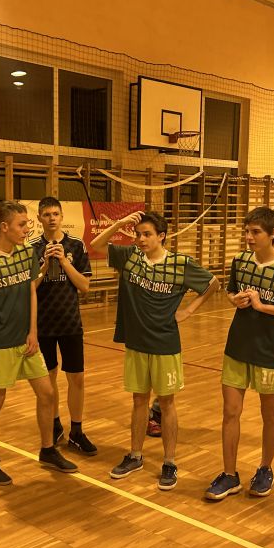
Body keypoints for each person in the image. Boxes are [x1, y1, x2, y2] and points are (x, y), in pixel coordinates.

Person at [91, 210, 218, 491]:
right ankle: (135, 456)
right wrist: (119, 224)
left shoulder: (180, 264)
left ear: (162, 236)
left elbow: (212, 284)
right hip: (136, 344)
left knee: (167, 403)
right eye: (138, 234)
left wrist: (189, 310)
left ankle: (169, 462)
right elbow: (97, 245)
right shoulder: (130, 257)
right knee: (139, 401)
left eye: (147, 234)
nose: (141, 239)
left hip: (165, 344)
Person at [0, 200, 78, 485]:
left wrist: (33, 332)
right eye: (22, 224)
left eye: (27, 223)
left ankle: (47, 449)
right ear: (4, 227)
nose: (28, 228)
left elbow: (31, 292)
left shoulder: (27, 253)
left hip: (26, 342)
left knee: (47, 393)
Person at [205, 207, 274, 501]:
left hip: (269, 351)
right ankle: (229, 475)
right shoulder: (240, 261)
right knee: (230, 412)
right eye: (247, 232)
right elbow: (230, 291)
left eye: (256, 232)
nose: (249, 237)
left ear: (273, 233)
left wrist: (263, 307)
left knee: (270, 414)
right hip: (237, 347)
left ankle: (265, 468)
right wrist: (234, 300)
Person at [28, 197, 96, 455]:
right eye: (46, 214)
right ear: (39, 218)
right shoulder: (32, 248)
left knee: (76, 378)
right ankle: (55, 424)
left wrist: (65, 262)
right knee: (49, 379)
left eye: (55, 213)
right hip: (43, 324)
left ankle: (76, 431)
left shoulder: (76, 245)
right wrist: (45, 266)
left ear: (62, 216)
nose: (52, 218)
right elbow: (29, 288)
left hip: (70, 322)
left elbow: (85, 286)